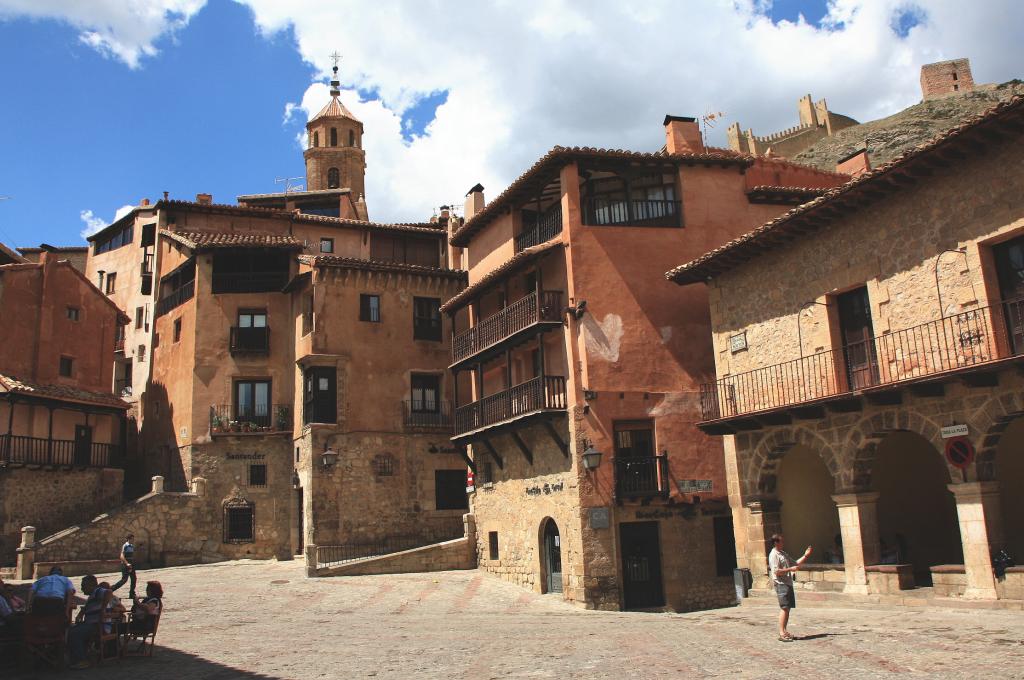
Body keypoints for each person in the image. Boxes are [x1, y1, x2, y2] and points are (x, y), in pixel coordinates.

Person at [67, 574, 124, 669]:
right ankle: (80, 657)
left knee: (74, 633)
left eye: (83, 586)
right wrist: (81, 613)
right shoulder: (92, 596)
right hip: (93, 625)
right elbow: (87, 608)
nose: (82, 588)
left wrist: (103, 609)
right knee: (71, 630)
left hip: (99, 626)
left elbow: (109, 592)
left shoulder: (97, 591)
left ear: (91, 585)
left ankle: (81, 660)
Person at [768, 534, 812, 642]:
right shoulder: (774, 555)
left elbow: (795, 563)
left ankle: (784, 630)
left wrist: (805, 555)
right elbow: (776, 571)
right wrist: (790, 569)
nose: (783, 543)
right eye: (781, 541)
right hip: (781, 583)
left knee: (787, 608)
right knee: (784, 607)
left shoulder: (783, 553)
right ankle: (781, 633)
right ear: (776, 543)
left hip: (787, 583)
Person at [111, 533, 138, 599]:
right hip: (125, 565)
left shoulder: (131, 546)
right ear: (128, 539)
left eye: (133, 539)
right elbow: (122, 556)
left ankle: (132, 593)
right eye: (132, 539)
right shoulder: (125, 545)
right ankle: (111, 589)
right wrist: (127, 563)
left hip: (131, 565)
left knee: (134, 579)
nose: (133, 540)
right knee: (124, 580)